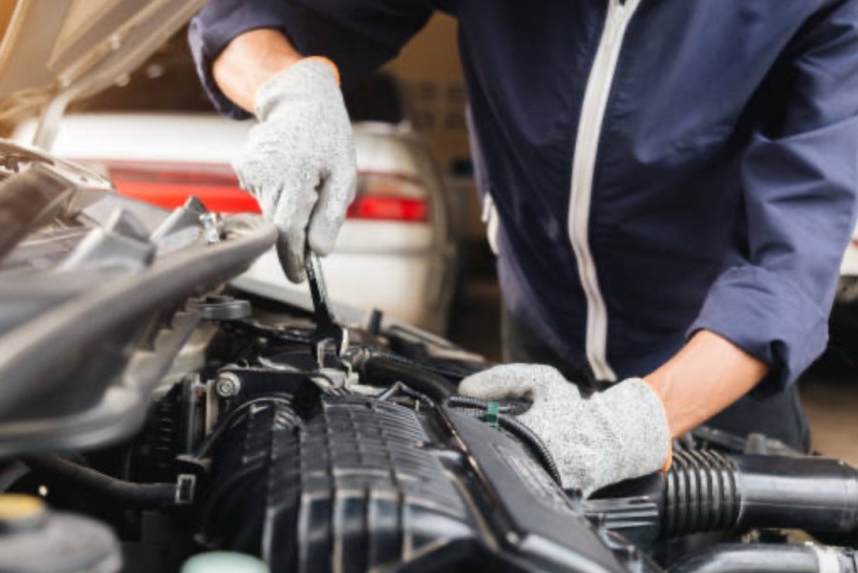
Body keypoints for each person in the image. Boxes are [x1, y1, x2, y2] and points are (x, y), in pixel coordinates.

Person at [189, 1, 858, 493]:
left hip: (711, 388)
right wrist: (292, 90)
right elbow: (239, 19)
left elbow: (789, 271)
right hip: (537, 358)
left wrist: (637, 421)